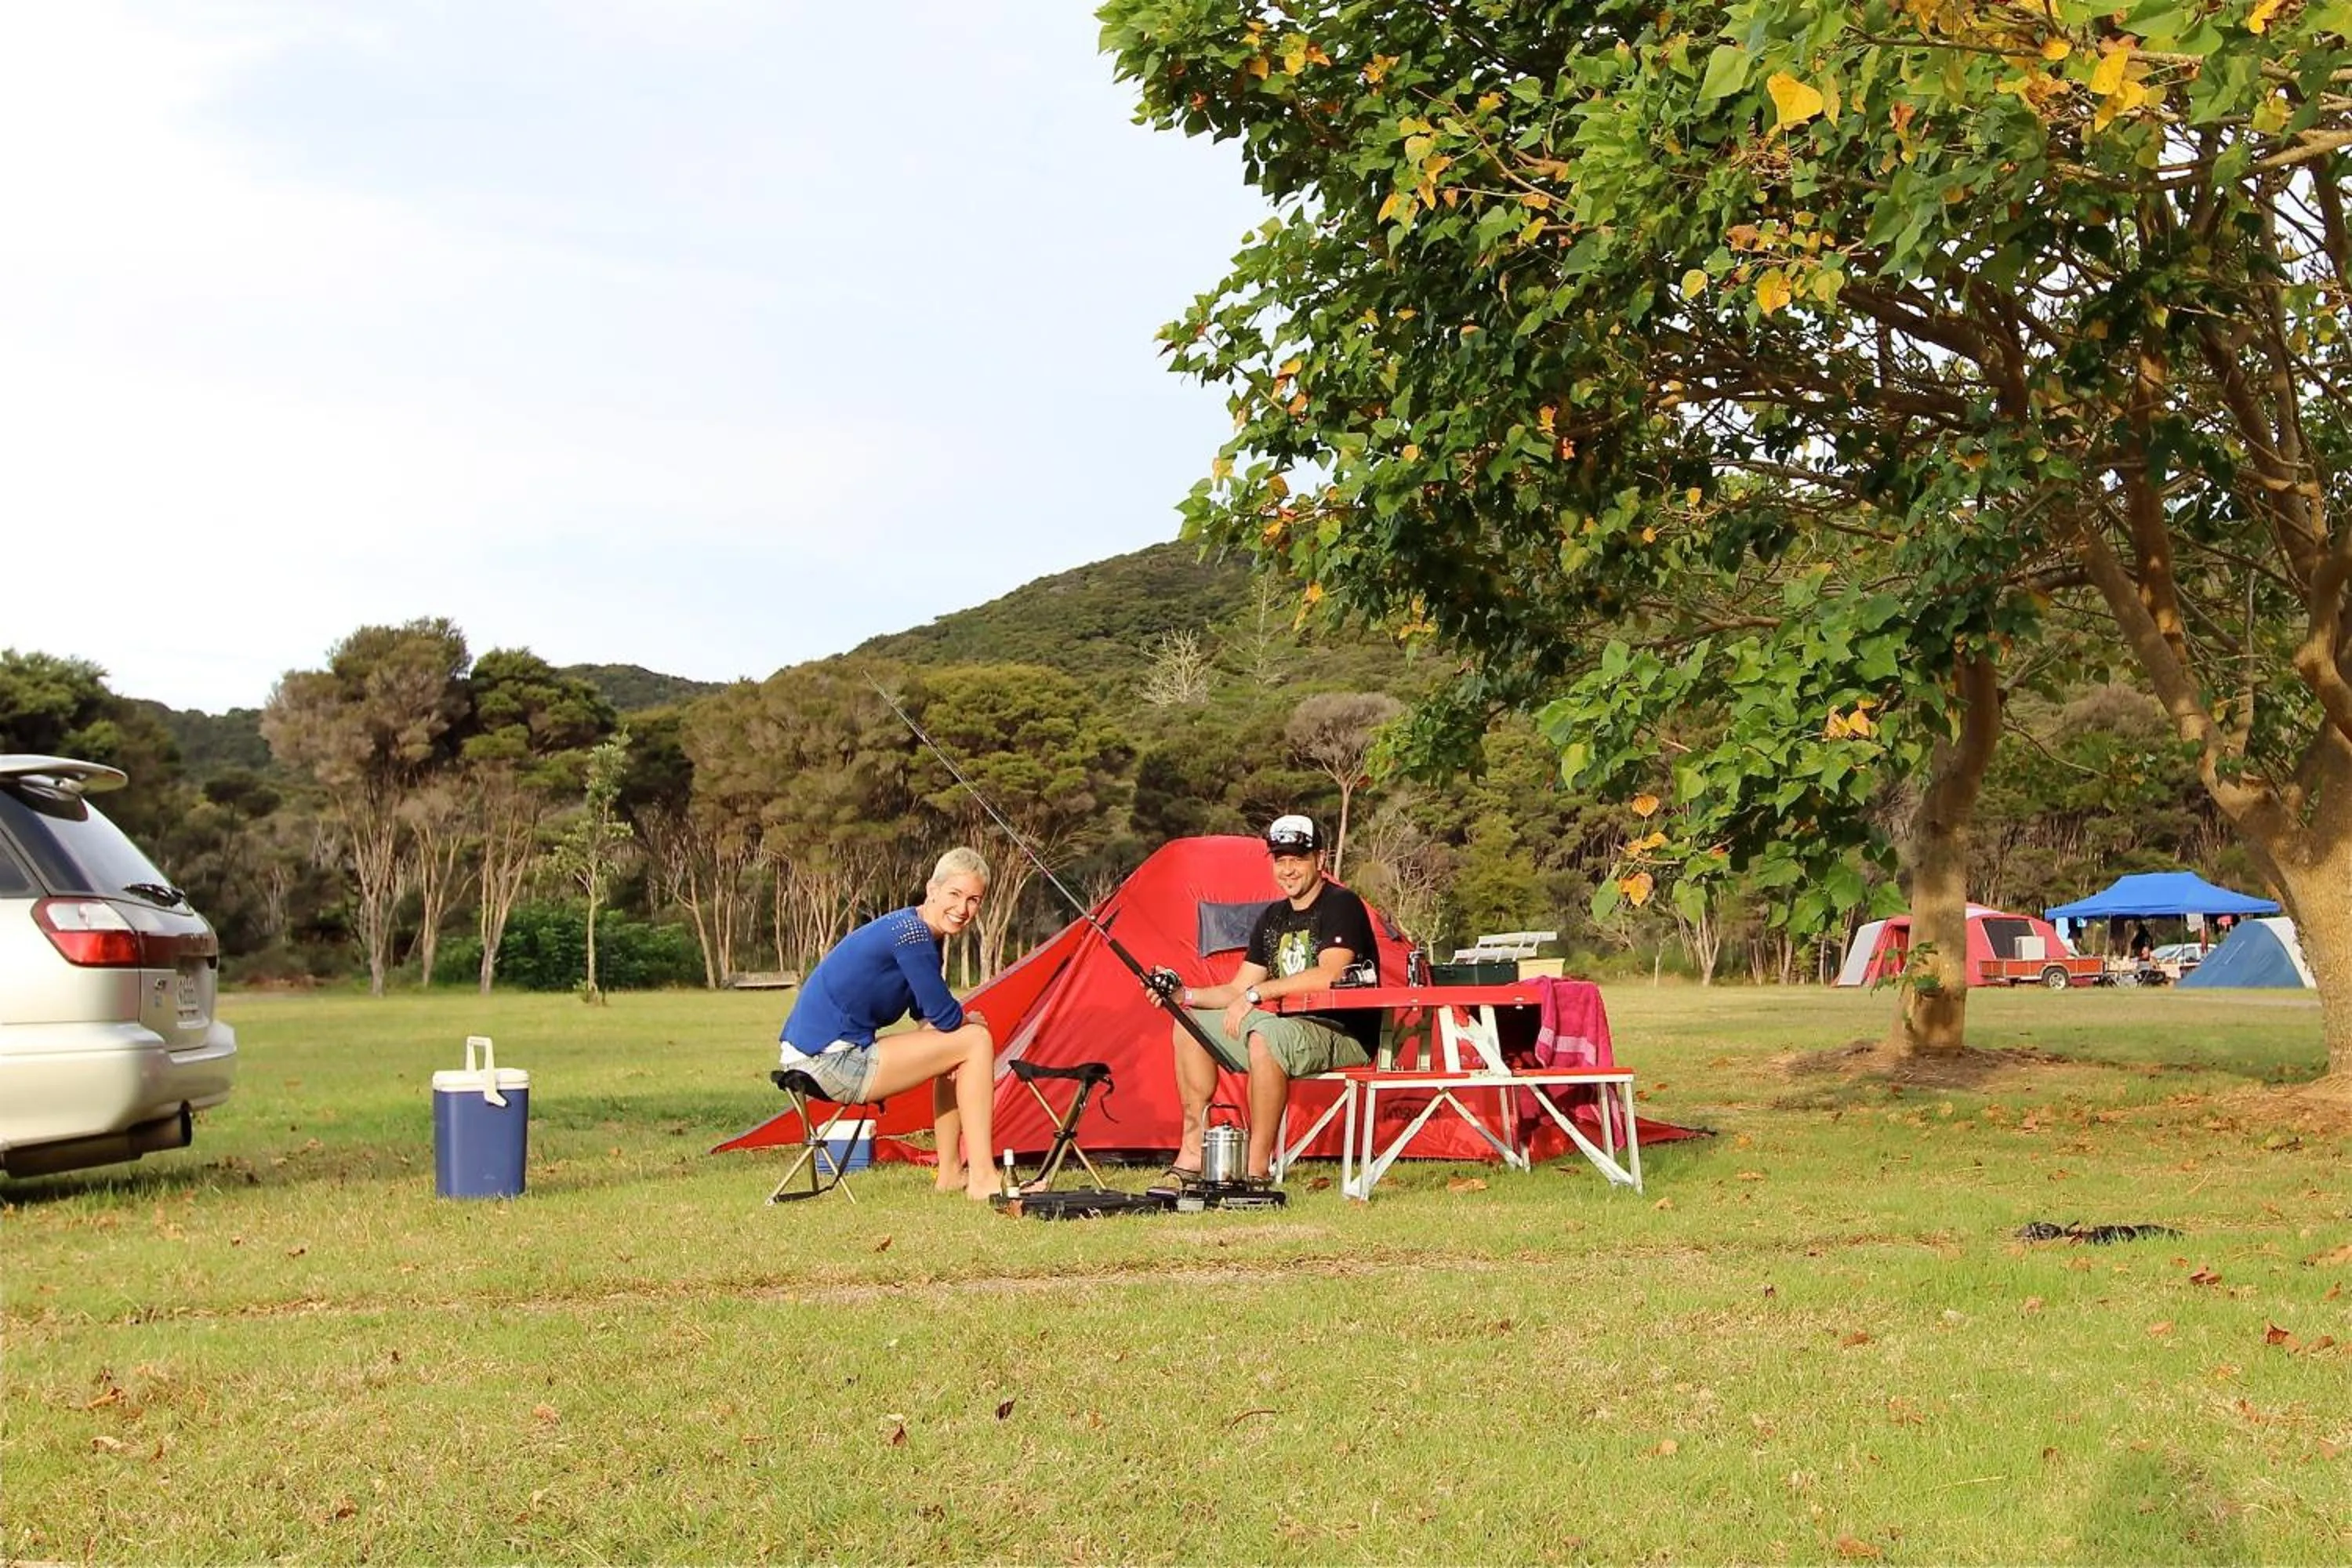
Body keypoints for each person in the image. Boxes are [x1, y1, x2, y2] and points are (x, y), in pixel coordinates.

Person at [1159, 814, 1380, 1188]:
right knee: (1188, 1022)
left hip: (1342, 1032)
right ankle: (1194, 1150)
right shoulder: (1272, 917)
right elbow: (1235, 988)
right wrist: (1183, 996)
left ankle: (1256, 1169)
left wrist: (1258, 994)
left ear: (1320, 860)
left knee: (1265, 1038)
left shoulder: (1342, 905)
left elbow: (1329, 975)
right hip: (1283, 1028)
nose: (1288, 870)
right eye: (1281, 860)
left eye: (1298, 858)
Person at [778, 847, 1001, 1203]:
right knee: (975, 1041)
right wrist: (969, 1022)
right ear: (932, 889)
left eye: (974, 900)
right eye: (954, 895)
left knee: (958, 1047)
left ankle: (950, 1173)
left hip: (812, 1058)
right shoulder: (911, 935)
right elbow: (946, 1016)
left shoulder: (919, 932)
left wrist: (955, 1031)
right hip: (829, 1062)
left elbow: (927, 1018)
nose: (963, 909)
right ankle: (983, 1178)